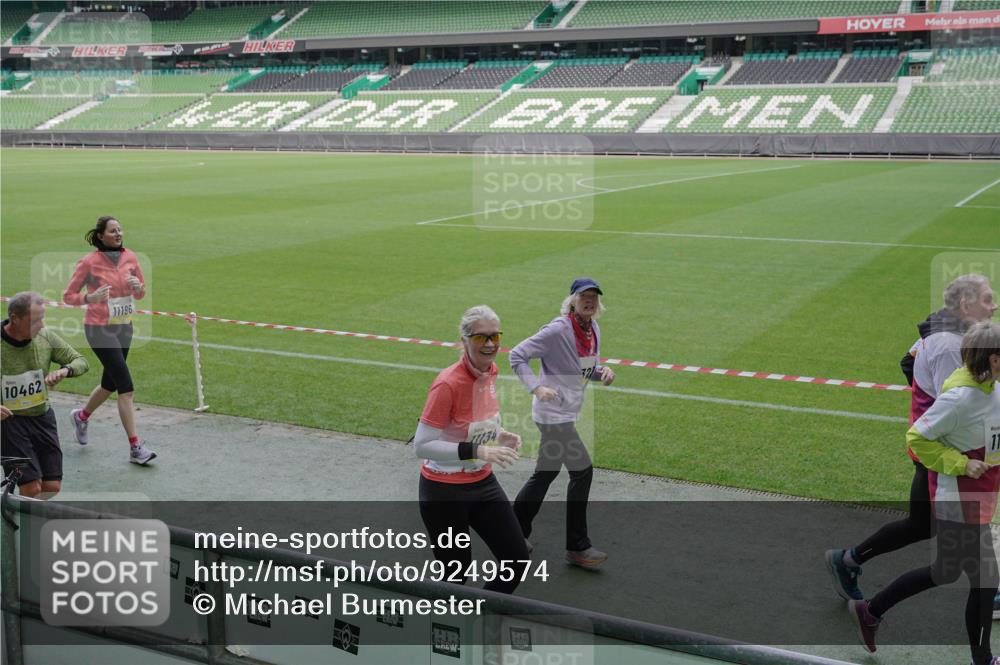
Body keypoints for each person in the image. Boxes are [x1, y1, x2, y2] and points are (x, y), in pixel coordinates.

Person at [826, 274, 996, 599]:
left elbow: (908, 361)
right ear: (966, 305)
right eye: (988, 299)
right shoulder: (950, 346)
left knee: (922, 525)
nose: (995, 305)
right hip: (944, 452)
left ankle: (847, 560)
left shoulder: (943, 331)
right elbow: (963, 404)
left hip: (931, 449)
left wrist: (924, 397)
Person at [848, 321, 1000, 665]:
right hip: (958, 497)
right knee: (984, 579)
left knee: (949, 571)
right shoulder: (959, 399)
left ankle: (870, 610)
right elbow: (917, 438)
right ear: (993, 359)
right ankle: (983, 659)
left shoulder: (992, 389)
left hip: (981, 494)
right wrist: (961, 464)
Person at [414, 305, 530, 594]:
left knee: (516, 559)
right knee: (456, 574)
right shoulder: (447, 384)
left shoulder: (490, 372)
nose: (490, 345)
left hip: (482, 484)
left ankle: (480, 617)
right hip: (443, 492)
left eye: (495, 337)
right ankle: (445, 629)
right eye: (481, 338)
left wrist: (500, 436)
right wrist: (479, 452)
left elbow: (474, 422)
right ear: (464, 340)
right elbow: (423, 445)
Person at [510, 277, 615, 570]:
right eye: (584, 296)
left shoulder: (592, 329)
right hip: (552, 415)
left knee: (545, 473)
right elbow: (517, 356)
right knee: (582, 472)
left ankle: (513, 533)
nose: (589, 300)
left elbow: (585, 369)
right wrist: (536, 388)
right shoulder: (558, 329)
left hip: (567, 413)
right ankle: (577, 547)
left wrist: (602, 372)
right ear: (572, 300)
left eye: (594, 296)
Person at [62, 216, 156, 465]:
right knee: (126, 388)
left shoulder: (131, 257)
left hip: (124, 327)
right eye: (112, 231)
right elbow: (68, 296)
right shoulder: (89, 262)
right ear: (100, 235)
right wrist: (89, 299)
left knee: (110, 384)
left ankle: (82, 416)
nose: (118, 233)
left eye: (120, 230)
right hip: (99, 329)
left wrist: (138, 288)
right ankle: (136, 448)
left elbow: (142, 291)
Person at [1, 292, 89, 499]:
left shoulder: (45, 337)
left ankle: (16, 511)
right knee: (31, 487)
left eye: (43, 318)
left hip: (42, 416)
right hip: (9, 422)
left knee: (51, 486)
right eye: (35, 320)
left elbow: (80, 361)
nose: (41, 325)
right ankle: (19, 529)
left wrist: (65, 370)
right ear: (15, 318)